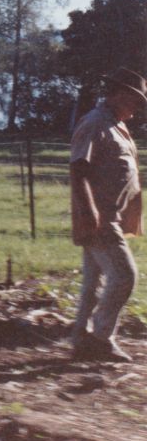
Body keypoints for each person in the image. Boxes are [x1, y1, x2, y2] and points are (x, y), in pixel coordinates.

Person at [70, 67, 147, 363]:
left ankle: (80, 339)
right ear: (117, 94)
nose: (137, 108)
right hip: (99, 216)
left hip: (108, 215)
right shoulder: (95, 123)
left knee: (94, 283)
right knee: (125, 276)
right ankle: (100, 339)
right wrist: (89, 210)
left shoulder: (114, 123)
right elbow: (79, 168)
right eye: (134, 101)